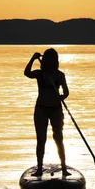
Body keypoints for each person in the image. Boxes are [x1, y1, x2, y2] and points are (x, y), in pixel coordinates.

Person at [24, 48, 70, 177]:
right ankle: (39, 169)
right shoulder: (40, 74)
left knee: (58, 139)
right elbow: (26, 73)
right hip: (41, 109)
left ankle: (64, 168)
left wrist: (62, 97)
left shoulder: (60, 75)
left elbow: (66, 92)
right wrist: (33, 58)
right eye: (47, 59)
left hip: (56, 109)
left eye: (52, 59)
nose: (49, 61)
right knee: (41, 139)